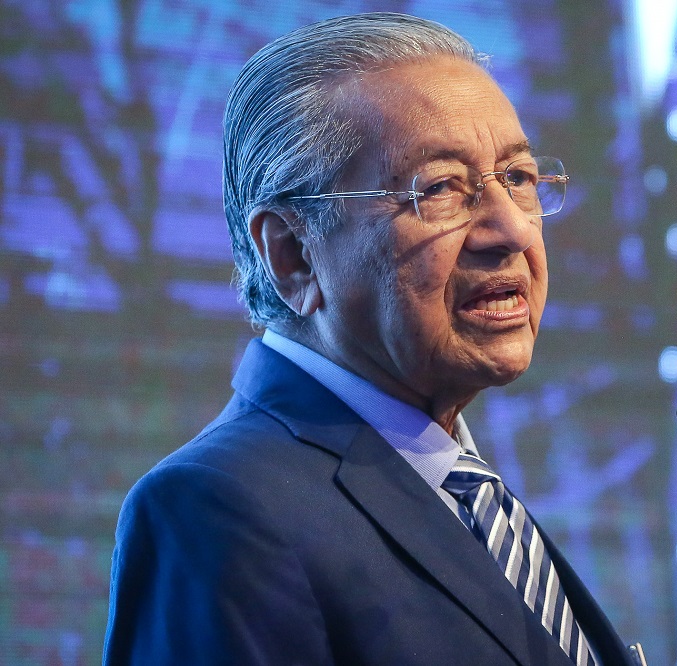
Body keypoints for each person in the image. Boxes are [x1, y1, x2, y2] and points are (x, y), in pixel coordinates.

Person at [103, 12, 634, 665]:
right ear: (294, 254)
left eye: (519, 179)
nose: (512, 231)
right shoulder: (218, 510)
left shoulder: (464, 489)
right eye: (440, 188)